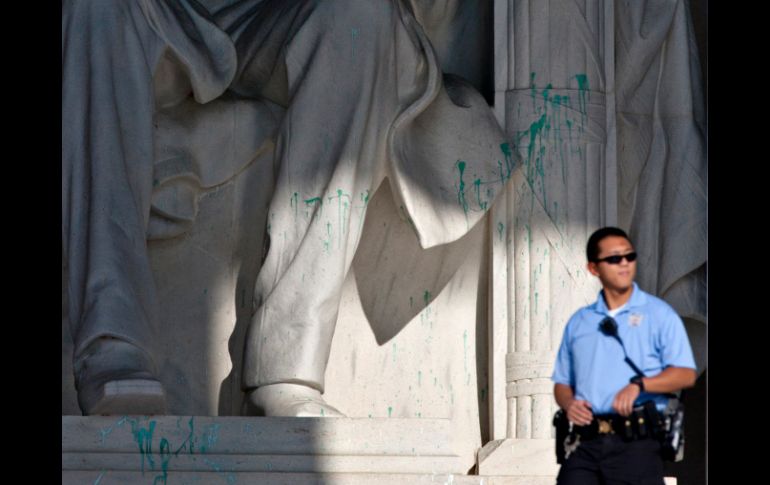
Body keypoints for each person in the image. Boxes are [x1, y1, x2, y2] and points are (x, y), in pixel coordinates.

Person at [63, 0, 510, 416]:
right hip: (156, 11)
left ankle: (289, 365)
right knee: (94, 6)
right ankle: (112, 343)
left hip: (279, 14)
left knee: (361, 12)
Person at [551, 227, 697, 484]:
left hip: (636, 443)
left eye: (629, 256)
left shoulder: (659, 314)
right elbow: (562, 383)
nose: (624, 264)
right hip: (585, 443)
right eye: (614, 258)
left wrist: (639, 386)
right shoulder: (580, 322)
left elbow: (685, 374)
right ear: (594, 268)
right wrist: (569, 403)